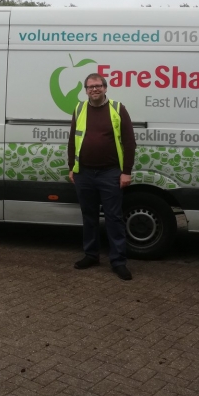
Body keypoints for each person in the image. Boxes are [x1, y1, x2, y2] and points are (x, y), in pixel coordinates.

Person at [67, 73, 137, 281]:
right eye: (90, 87)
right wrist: (72, 167)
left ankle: (118, 261)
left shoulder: (117, 108)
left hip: (110, 172)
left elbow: (129, 141)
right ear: (85, 90)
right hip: (84, 173)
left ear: (105, 88)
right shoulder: (79, 109)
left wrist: (126, 171)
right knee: (88, 216)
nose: (94, 90)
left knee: (114, 217)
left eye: (98, 86)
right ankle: (91, 255)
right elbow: (72, 140)